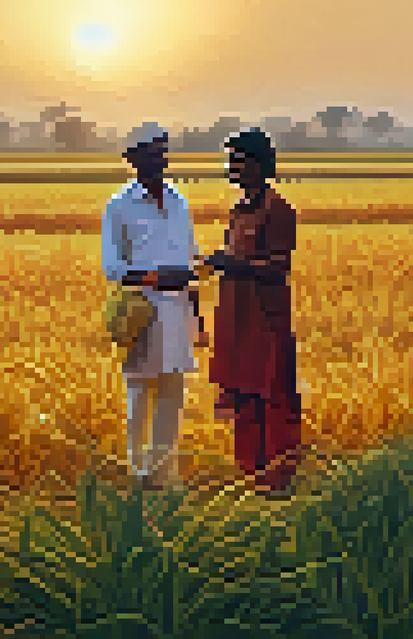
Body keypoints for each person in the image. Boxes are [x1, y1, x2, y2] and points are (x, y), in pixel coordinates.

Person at [101, 123, 201, 490]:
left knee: (173, 392)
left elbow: (188, 258)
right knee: (140, 393)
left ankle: (164, 472)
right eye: (149, 153)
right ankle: (139, 472)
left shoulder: (179, 201)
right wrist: (156, 279)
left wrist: (198, 317)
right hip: (140, 313)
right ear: (132, 160)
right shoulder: (119, 206)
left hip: (177, 312)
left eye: (162, 151)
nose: (158, 159)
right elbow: (112, 267)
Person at [203, 128, 301, 496]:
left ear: (258, 165)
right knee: (243, 400)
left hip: (265, 322)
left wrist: (229, 264)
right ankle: (250, 479)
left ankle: (278, 482)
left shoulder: (278, 210)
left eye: (238, 162)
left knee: (272, 399)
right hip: (236, 321)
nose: (231, 169)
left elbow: (277, 269)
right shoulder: (239, 211)